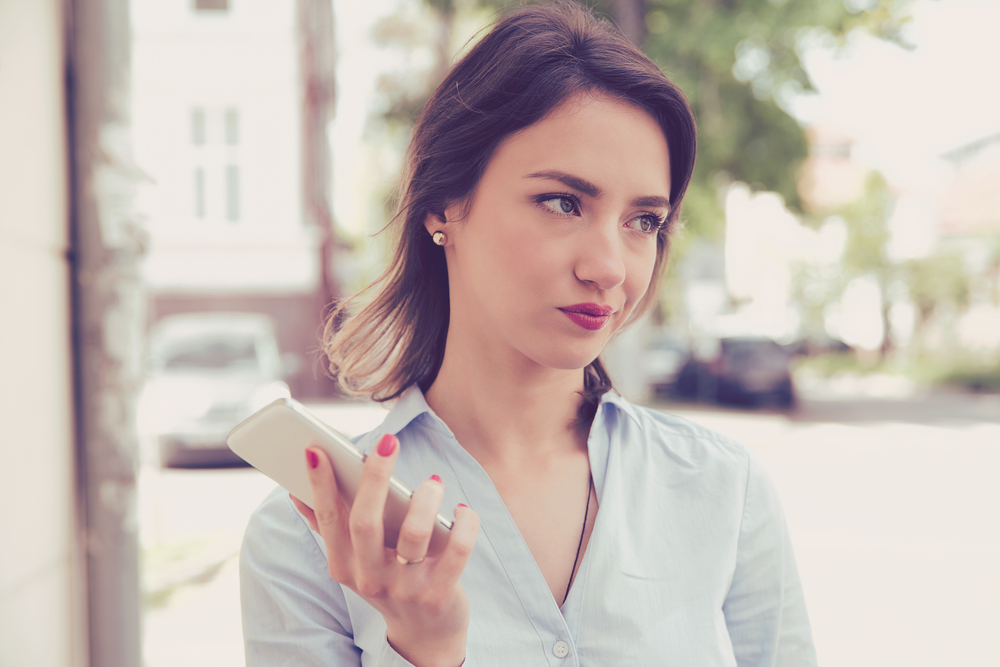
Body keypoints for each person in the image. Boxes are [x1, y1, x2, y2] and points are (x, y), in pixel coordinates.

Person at [240, 2, 816, 666]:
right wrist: (424, 652)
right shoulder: (311, 537)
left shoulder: (724, 490)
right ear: (443, 206)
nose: (608, 267)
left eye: (644, 221)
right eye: (563, 202)